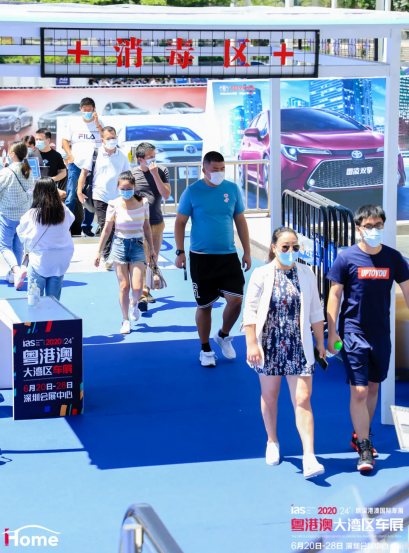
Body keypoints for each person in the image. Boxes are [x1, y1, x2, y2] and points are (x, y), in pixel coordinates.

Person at [327, 205, 409, 472]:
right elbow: (334, 295)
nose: (374, 230)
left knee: (373, 388)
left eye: (378, 225)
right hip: (353, 333)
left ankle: (359, 433)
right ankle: (364, 446)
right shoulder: (346, 258)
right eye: (369, 226)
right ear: (359, 228)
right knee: (360, 390)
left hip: (380, 334)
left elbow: (407, 289)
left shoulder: (394, 258)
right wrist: (332, 332)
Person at [243, 227, 325, 478]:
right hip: (269, 346)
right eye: (286, 247)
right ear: (274, 248)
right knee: (270, 397)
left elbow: (316, 311)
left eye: (295, 247)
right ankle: (272, 441)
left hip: (299, 346)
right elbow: (250, 311)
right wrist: (251, 344)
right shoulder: (261, 274)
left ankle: (309, 456)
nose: (291, 251)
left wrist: (320, 343)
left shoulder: (307, 273)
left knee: (303, 398)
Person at [175, 151, 251, 368]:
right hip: (201, 258)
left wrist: (246, 251)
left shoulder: (232, 189)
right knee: (205, 305)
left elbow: (240, 221)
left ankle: (223, 335)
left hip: (228, 256)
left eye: (222, 169)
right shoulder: (192, 192)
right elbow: (180, 222)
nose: (219, 172)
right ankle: (205, 348)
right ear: (204, 170)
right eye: (214, 169)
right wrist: (180, 251)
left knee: (236, 301)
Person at [94, 171, 156, 335]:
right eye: (123, 188)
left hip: (137, 245)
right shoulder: (113, 204)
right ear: (118, 188)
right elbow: (107, 229)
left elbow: (146, 227)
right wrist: (99, 252)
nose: (126, 191)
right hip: (120, 245)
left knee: (137, 288)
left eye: (129, 188)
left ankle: (133, 303)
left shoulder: (143, 203)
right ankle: (125, 319)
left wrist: (151, 248)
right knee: (123, 286)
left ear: (134, 187)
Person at [77, 126, 130, 271]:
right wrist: (79, 191)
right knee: (106, 226)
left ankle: (114, 253)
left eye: (114, 137)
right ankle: (107, 257)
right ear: (102, 140)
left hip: (117, 197)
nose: (112, 140)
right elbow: (83, 173)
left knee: (116, 227)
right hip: (99, 196)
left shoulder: (122, 156)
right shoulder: (94, 154)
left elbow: (128, 176)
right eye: (108, 138)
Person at [17, 178, 74, 301]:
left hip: (39, 260)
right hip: (60, 261)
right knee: (53, 301)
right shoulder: (64, 212)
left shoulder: (32, 214)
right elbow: (71, 219)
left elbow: (21, 233)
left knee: (34, 301)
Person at [132, 142, 171, 311]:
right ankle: (143, 295)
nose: (153, 159)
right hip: (140, 224)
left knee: (152, 259)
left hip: (157, 222)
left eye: (154, 156)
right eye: (149, 157)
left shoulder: (162, 171)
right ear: (140, 159)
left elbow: (166, 194)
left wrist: (155, 175)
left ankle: (145, 290)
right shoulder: (132, 174)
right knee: (143, 259)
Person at [62, 97, 104, 237]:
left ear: (94, 110)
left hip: (93, 165)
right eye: (85, 110)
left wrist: (97, 123)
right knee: (71, 196)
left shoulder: (99, 123)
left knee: (89, 196)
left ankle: (87, 226)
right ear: (80, 110)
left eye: (90, 110)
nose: (87, 112)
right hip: (76, 165)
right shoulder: (73, 124)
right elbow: (65, 140)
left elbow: (105, 138)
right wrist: (70, 156)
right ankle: (65, 226)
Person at [0, 141, 34, 288]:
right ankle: (15, 274)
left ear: (12, 154)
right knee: (18, 246)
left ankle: (16, 270)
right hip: (24, 215)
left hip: (7, 214)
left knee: (4, 246)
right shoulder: (28, 171)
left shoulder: (6, 172)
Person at [35, 128, 67, 199]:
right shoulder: (32, 155)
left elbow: (63, 172)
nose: (38, 141)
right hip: (36, 191)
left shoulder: (56, 155)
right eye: (36, 139)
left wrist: (51, 180)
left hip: (51, 191)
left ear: (48, 140)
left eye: (40, 139)